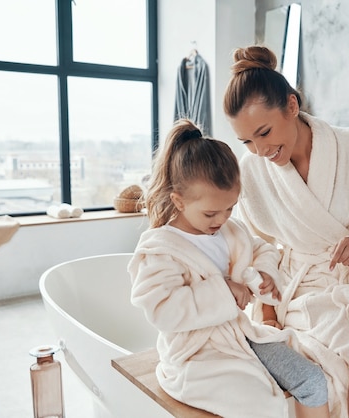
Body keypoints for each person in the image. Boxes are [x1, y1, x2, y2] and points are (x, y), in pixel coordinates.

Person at [223, 46, 349, 418]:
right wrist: (267, 314)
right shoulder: (251, 171)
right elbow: (255, 248)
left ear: (292, 105)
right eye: (248, 141)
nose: (261, 149)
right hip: (298, 283)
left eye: (265, 132)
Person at [128, 119, 330, 418]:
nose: (221, 219)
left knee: (313, 381)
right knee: (262, 404)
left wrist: (264, 275)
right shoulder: (160, 249)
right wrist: (223, 289)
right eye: (211, 212)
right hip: (194, 353)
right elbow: (162, 310)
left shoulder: (229, 231)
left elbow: (262, 249)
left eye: (230, 208)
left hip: (240, 335)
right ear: (178, 201)